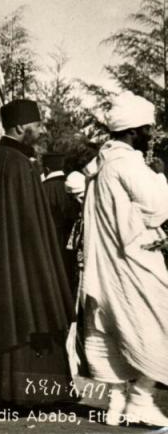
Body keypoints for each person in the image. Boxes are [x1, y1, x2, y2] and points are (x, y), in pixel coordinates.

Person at [0, 99, 74, 408]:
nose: (41, 130)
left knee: (7, 320)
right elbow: (31, 226)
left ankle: (5, 393)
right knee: (29, 318)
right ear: (19, 128)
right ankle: (31, 394)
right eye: (36, 125)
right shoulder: (17, 164)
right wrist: (43, 265)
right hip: (22, 263)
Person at [81, 92, 168, 427]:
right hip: (132, 263)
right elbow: (158, 208)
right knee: (154, 325)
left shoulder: (101, 162)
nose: (150, 136)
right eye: (147, 130)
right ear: (133, 131)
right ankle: (140, 401)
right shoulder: (128, 163)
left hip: (107, 265)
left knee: (113, 330)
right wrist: (160, 176)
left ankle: (117, 401)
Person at [41, 153, 82, 298]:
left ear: (46, 169)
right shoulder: (73, 184)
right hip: (72, 239)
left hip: (49, 241)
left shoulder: (42, 189)